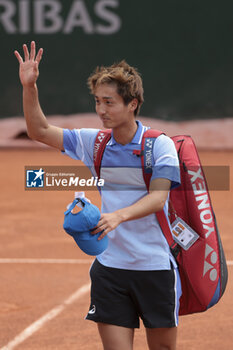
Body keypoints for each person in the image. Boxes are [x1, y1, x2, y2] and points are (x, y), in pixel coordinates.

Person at [15, 41, 182, 350]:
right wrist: (30, 86)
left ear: (132, 103)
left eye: (109, 102)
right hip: (110, 268)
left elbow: (159, 198)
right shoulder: (94, 143)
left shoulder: (160, 146)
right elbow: (39, 130)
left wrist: (117, 215)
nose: (101, 110)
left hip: (155, 269)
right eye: (97, 101)